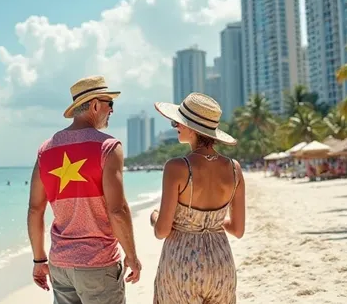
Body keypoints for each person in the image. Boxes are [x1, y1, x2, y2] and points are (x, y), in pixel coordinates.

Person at [27, 75, 141, 304]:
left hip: (60, 264)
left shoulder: (45, 150)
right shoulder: (108, 147)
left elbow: (34, 210)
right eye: (110, 104)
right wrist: (131, 256)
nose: (112, 111)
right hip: (98, 264)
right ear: (95, 105)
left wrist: (39, 260)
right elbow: (117, 210)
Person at [149, 93, 245, 304]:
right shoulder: (234, 169)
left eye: (177, 122)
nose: (175, 126)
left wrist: (154, 217)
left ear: (192, 128)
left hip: (183, 262)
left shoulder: (177, 167)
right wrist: (211, 223)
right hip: (221, 262)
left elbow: (162, 231)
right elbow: (238, 229)